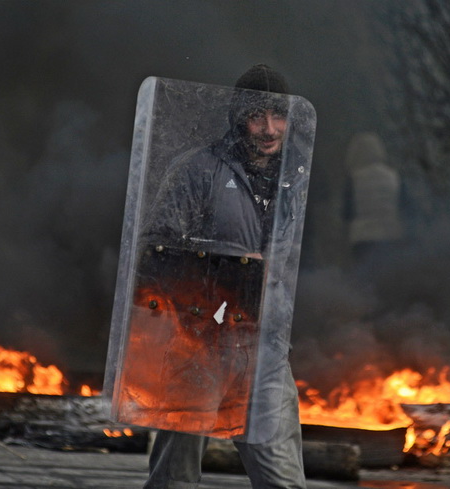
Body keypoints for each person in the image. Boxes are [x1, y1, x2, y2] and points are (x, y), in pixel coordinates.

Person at [142, 65, 309, 489]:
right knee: (174, 481)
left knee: (284, 483)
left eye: (279, 115)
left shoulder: (293, 180)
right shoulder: (199, 171)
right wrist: (227, 268)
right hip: (199, 346)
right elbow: (155, 253)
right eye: (258, 116)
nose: (270, 129)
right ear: (238, 117)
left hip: (265, 349)